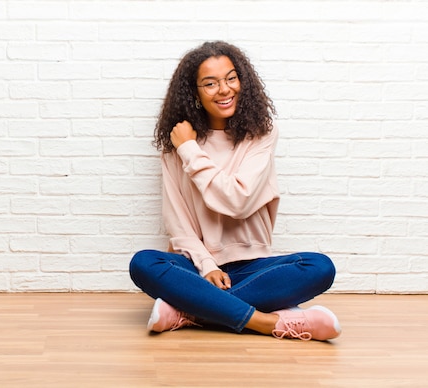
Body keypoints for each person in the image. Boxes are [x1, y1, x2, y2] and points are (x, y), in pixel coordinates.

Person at [129, 41, 341, 341]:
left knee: (319, 267)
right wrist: (206, 267)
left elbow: (236, 201)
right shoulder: (177, 143)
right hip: (195, 266)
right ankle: (267, 323)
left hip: (253, 268)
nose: (225, 89)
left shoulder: (261, 134)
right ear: (195, 92)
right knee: (144, 263)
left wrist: (190, 150)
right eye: (210, 83)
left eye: (231, 78)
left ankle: (189, 312)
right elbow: (178, 223)